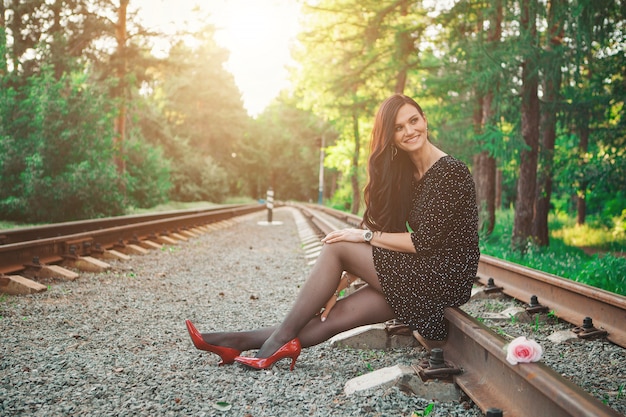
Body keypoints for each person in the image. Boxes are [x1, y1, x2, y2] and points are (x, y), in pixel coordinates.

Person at [185, 93, 480, 370]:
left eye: (413, 121)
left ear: (424, 119)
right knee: (333, 317)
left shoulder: (450, 171)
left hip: (444, 279)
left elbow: (423, 242)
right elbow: (389, 236)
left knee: (338, 246)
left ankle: (270, 347)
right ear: (390, 136)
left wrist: (363, 236)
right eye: (398, 127)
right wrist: (337, 287)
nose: (409, 131)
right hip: (420, 274)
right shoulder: (407, 172)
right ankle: (239, 342)